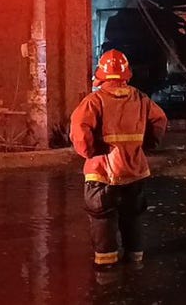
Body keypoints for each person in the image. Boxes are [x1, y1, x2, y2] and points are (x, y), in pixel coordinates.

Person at [70, 49, 167, 267]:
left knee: (102, 219)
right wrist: (147, 145)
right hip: (134, 170)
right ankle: (135, 260)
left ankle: (106, 268)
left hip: (102, 172)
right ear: (126, 73)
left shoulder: (93, 101)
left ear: (101, 74)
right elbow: (159, 120)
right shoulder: (141, 98)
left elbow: (80, 130)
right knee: (132, 217)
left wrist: (90, 152)